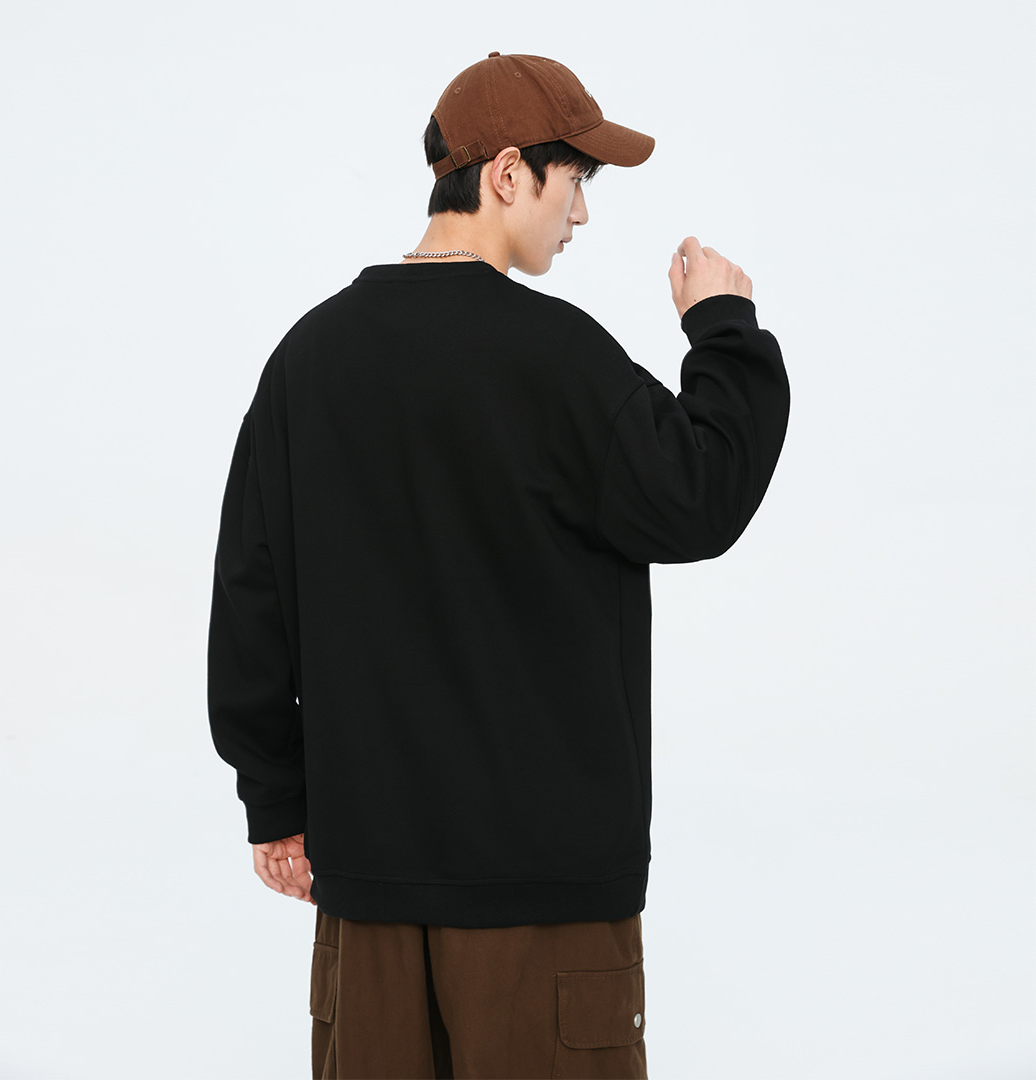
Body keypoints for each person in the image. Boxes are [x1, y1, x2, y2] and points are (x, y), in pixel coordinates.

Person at [207, 50, 790, 1080]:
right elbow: (699, 495)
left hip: (368, 891)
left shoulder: (308, 360)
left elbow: (252, 597)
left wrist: (277, 801)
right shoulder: (557, 358)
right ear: (510, 173)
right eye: (577, 182)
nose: (583, 215)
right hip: (546, 898)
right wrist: (723, 330)